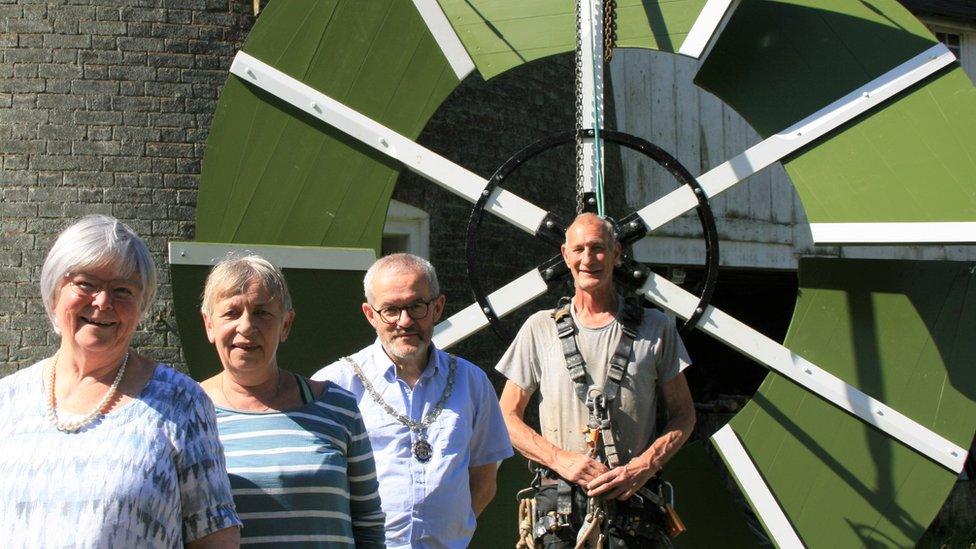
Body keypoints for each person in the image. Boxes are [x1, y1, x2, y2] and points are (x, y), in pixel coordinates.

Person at [0, 214, 241, 547]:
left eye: (122, 290)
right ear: (55, 291)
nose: (102, 302)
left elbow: (215, 539)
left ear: (141, 306)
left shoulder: (180, 403)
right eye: (85, 283)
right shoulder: (7, 402)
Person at [496, 213, 697, 548]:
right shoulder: (539, 328)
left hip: (634, 508)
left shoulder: (656, 327)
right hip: (559, 512)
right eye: (579, 249)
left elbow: (684, 415)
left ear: (617, 253)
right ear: (564, 254)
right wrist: (562, 461)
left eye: (598, 248)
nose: (587, 259)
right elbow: (506, 417)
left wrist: (643, 466)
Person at [312, 253, 513, 549]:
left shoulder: (472, 382)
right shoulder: (334, 385)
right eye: (391, 310)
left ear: (437, 307)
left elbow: (484, 479)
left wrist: (449, 532)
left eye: (416, 306)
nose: (404, 322)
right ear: (370, 314)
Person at [198, 254, 385, 547]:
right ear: (209, 325)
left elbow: (369, 525)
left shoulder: (337, 408)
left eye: (262, 313)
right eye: (232, 312)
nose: (246, 326)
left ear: (286, 324)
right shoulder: (186, 414)